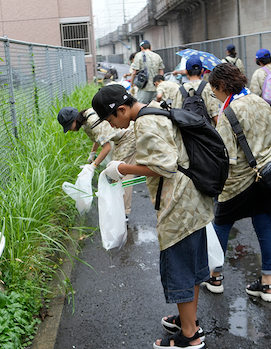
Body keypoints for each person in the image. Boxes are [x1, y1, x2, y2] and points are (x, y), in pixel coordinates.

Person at [92, 84, 212, 349]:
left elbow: (163, 166)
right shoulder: (155, 109)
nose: (113, 126)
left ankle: (190, 336)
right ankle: (187, 320)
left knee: (179, 269)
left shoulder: (146, 122)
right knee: (190, 268)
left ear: (121, 110)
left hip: (178, 206)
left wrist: (120, 167)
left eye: (112, 120)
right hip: (192, 201)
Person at [201, 63, 271, 302]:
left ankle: (214, 276)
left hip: (238, 182)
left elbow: (226, 156)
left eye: (214, 89)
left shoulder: (229, 113)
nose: (214, 94)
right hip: (266, 177)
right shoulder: (261, 102)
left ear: (223, 86)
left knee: (221, 227)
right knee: (265, 228)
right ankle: (268, 285)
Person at [57, 107, 137, 218]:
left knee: (121, 172)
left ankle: (124, 212)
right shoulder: (85, 121)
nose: (70, 129)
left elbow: (107, 147)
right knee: (114, 173)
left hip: (128, 136)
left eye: (69, 126)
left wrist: (93, 166)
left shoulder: (92, 120)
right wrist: (93, 153)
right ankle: (117, 206)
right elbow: (98, 139)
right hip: (119, 139)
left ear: (74, 120)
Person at [173, 55, 220, 125]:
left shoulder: (180, 90)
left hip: (188, 133)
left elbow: (176, 114)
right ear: (202, 71)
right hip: (207, 132)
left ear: (186, 72)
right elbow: (215, 113)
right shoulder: (208, 87)